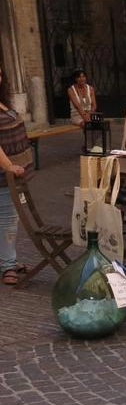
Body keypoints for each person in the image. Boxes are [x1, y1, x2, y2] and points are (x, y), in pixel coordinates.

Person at [0, 64, 32, 285]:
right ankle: (7, 265)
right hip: (4, 175)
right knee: (7, 219)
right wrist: (8, 166)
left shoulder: (4, 102)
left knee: (10, 217)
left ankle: (6, 259)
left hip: (13, 175)